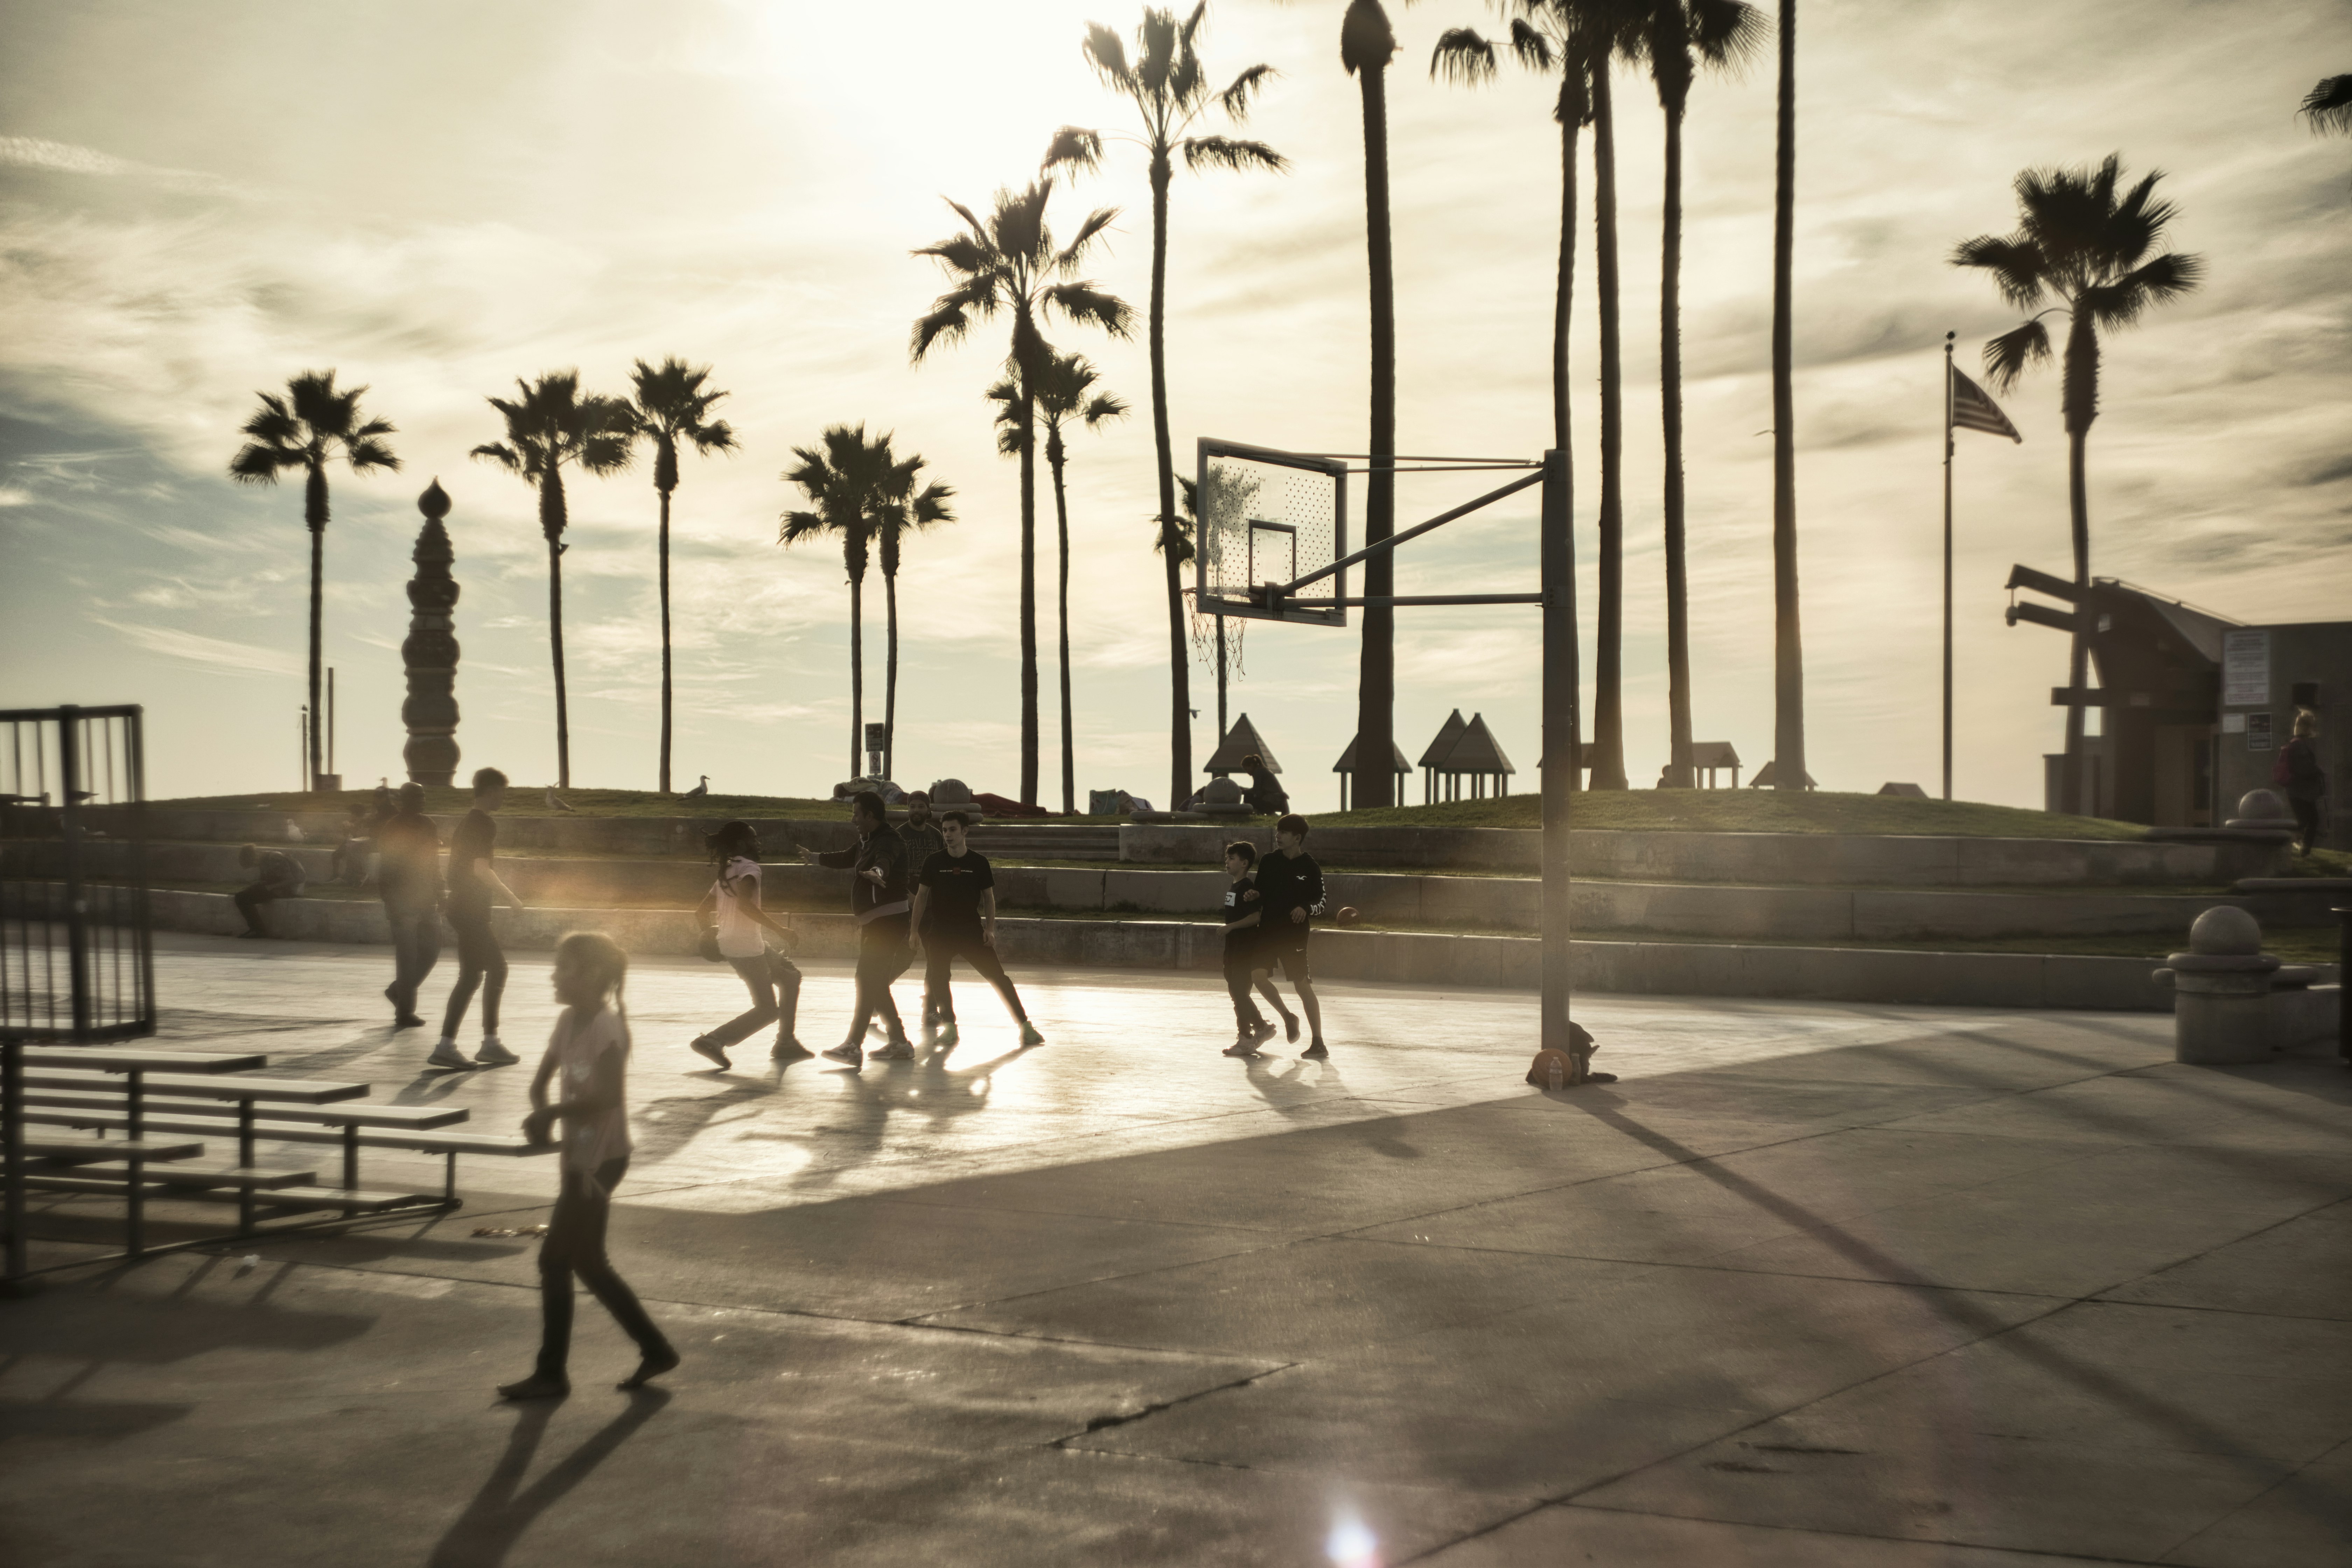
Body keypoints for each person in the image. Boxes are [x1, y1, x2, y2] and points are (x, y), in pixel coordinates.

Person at [498, 931, 678, 1401]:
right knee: (588, 1262)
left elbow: (609, 1097)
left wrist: (552, 1114)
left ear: (593, 973)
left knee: (555, 1259)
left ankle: (551, 1374)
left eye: (564, 967)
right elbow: (540, 1082)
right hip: (578, 1158)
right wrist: (541, 1114)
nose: (554, 976)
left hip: (603, 1161)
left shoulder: (606, 1027)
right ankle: (656, 1350)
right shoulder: (567, 1021)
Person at [798, 790, 913, 1066]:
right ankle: (899, 1043)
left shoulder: (889, 840)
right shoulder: (867, 841)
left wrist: (879, 873)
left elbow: (884, 860)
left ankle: (854, 1045)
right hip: (877, 922)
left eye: (856, 814)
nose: (853, 820)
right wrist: (814, 857)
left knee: (866, 978)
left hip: (888, 922)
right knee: (876, 982)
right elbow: (845, 858)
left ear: (870, 816)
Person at [911, 810, 1043, 1051]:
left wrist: (990, 929)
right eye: (945, 830)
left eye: (953, 830)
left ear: (965, 831)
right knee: (939, 979)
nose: (948, 835)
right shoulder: (934, 862)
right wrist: (913, 931)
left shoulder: (979, 862)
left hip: (971, 932)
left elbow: (989, 898)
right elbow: (921, 897)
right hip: (940, 933)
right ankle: (950, 1027)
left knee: (999, 978)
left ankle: (1025, 1026)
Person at [428, 768, 527, 1070]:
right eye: (502, 791)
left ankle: (448, 1046)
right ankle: (489, 1043)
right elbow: (480, 869)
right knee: (498, 969)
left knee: (471, 976)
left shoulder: (467, 822)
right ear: (490, 791)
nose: (504, 797)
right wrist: (512, 897)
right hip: (470, 909)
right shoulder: (484, 823)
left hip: (462, 907)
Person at [686, 821, 805, 1070]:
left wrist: (713, 938)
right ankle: (713, 1040)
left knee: (791, 976)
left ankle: (786, 1042)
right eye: (754, 838)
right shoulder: (750, 869)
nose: (758, 843)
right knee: (768, 1010)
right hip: (747, 949)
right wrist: (781, 930)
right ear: (742, 843)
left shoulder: (727, 871)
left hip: (741, 944)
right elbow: (744, 905)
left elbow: (701, 912)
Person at [1249, 813, 1330, 1059]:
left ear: (1297, 838)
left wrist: (1306, 908)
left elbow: (1321, 901)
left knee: (1302, 985)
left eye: (1284, 833)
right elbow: (1261, 892)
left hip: (1294, 936)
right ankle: (1288, 1017)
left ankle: (1318, 1043)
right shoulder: (1269, 861)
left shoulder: (1310, 866)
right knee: (1258, 976)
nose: (1278, 836)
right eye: (1278, 831)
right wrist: (1254, 895)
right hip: (1267, 931)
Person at [377, 783, 443, 1029]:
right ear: (404, 800)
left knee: (432, 950)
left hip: (426, 899)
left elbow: (434, 862)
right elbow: (386, 867)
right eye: (417, 796)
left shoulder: (429, 824)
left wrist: (441, 891)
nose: (422, 800)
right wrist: (390, 901)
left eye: (424, 796)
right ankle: (405, 1013)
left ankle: (398, 991)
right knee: (407, 957)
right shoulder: (393, 828)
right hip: (402, 901)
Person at [897, 791, 949, 1031]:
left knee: (935, 959)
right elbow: (892, 872)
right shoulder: (899, 835)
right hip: (907, 906)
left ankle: (930, 1010)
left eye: (921, 807)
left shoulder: (936, 836)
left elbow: (942, 868)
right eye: (912, 807)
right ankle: (878, 995)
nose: (916, 811)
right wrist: (907, 896)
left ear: (928, 810)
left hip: (932, 908)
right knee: (904, 958)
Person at [1219, 840, 1273, 1057]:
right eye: (1227, 858)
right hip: (1233, 948)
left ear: (1244, 863)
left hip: (1245, 950)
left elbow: (1255, 917)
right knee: (1237, 993)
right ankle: (1261, 1027)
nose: (1227, 862)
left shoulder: (1247, 888)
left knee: (1240, 994)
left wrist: (1231, 927)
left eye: (1232, 858)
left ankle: (1246, 1040)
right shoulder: (1234, 886)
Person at [2280, 709, 2328, 855]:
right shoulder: (2300, 745)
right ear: (2307, 727)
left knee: (2307, 821)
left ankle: (2301, 847)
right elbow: (2303, 769)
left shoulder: (2297, 744)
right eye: (2312, 725)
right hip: (2301, 792)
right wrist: (2318, 771)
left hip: (2299, 791)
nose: (2314, 728)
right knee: (2310, 820)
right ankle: (2300, 847)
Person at [232, 843, 306, 938]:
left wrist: (270, 887)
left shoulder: (275, 858)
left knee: (241, 898)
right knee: (242, 895)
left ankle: (258, 930)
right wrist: (259, 884)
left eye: (253, 864)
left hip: (287, 890)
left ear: (254, 857)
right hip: (275, 888)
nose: (254, 866)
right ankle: (257, 930)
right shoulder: (263, 861)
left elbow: (291, 880)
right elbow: (270, 878)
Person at [328, 806, 372, 884]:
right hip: (350, 844)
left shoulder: (364, 823)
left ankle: (347, 877)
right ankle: (336, 876)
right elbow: (347, 835)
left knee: (348, 857)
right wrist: (346, 829)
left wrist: (350, 828)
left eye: (352, 814)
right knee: (335, 856)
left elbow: (360, 836)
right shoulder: (352, 822)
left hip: (357, 845)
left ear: (355, 814)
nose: (351, 815)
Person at [1239, 753, 1288, 817]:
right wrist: (1244, 789)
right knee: (1250, 795)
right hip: (1276, 801)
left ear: (1251, 765)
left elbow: (1256, 790)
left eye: (1247, 769)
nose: (1247, 772)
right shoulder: (1261, 770)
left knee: (1248, 797)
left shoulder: (1259, 772)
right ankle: (1267, 813)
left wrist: (1242, 792)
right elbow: (1258, 790)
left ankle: (1267, 813)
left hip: (1275, 801)